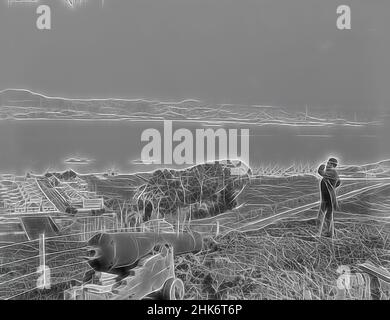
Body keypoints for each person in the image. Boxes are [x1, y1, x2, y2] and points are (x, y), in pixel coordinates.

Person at [317, 157, 341, 238]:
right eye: (327, 163)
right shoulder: (333, 173)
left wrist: (321, 166)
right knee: (328, 216)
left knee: (322, 215)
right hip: (328, 198)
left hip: (328, 199)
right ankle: (329, 234)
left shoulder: (332, 172)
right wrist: (332, 188)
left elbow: (320, 172)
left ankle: (320, 234)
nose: (327, 164)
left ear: (333, 165)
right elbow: (339, 182)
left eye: (329, 163)